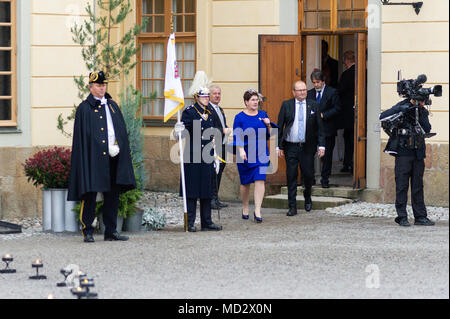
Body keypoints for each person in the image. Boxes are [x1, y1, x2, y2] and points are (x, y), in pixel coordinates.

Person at [67, 71, 136, 243]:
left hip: (113, 157)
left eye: (104, 85)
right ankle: (87, 230)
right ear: (90, 87)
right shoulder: (84, 109)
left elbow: (119, 130)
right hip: (93, 159)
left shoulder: (112, 105)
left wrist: (117, 146)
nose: (102, 88)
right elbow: (83, 138)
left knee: (113, 195)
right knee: (90, 194)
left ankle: (111, 231)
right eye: (98, 85)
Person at [379, 99, 435, 227]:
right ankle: (402, 216)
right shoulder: (401, 106)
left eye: (423, 101)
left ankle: (420, 216)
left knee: (417, 186)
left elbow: (427, 128)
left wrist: (421, 111)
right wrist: (402, 109)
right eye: (420, 101)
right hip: (403, 152)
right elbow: (383, 116)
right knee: (402, 185)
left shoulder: (422, 111)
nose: (422, 103)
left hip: (418, 152)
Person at [180, 72, 222, 232]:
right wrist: (179, 130)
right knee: (192, 189)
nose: (206, 98)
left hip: (208, 153)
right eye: (204, 96)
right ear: (197, 96)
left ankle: (207, 221)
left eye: (207, 96)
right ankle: (190, 221)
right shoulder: (189, 112)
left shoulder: (209, 113)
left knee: (206, 188)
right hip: (192, 154)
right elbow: (183, 133)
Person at [277, 81, 325, 216]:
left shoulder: (314, 105)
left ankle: (307, 196)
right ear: (293, 92)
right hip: (291, 146)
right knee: (291, 176)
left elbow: (320, 128)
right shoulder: (286, 105)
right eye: (299, 90)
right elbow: (280, 126)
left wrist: (321, 145)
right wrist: (278, 146)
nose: (303, 92)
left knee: (308, 174)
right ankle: (292, 206)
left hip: (307, 147)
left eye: (304, 90)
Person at [233, 89, 273, 223]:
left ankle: (257, 210)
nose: (256, 102)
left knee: (260, 179)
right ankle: (245, 207)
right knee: (245, 183)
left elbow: (269, 134)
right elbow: (236, 135)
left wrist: (268, 124)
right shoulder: (239, 117)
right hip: (244, 153)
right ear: (246, 102)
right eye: (253, 100)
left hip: (261, 152)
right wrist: (240, 150)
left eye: (257, 100)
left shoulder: (263, 114)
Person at [307, 69, 341, 188]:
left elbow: (337, 108)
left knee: (327, 156)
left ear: (323, 81)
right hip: (312, 130)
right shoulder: (309, 93)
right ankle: (310, 179)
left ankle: (325, 179)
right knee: (310, 154)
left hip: (327, 129)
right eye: (314, 82)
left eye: (317, 82)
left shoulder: (332, 92)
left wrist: (324, 115)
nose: (316, 85)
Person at [209, 85, 232, 210]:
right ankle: (211, 199)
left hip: (222, 144)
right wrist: (222, 130)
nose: (217, 96)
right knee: (213, 172)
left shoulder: (220, 109)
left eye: (219, 93)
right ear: (209, 95)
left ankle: (216, 198)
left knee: (220, 171)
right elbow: (209, 127)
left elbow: (222, 124)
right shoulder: (207, 110)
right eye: (215, 93)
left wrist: (227, 129)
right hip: (212, 145)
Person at [338, 50, 356, 173]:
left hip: (348, 112)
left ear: (347, 60)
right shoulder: (363, 72)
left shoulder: (346, 74)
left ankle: (348, 163)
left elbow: (340, 91)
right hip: (359, 111)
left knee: (349, 138)